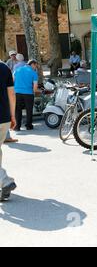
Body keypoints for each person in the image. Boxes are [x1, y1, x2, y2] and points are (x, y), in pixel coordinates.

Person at [0, 61, 17, 201]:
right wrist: (12, 115)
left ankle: (5, 181)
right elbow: (11, 94)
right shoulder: (5, 68)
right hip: (4, 117)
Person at [13, 59, 39, 131]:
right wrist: (36, 91)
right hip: (28, 93)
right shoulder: (34, 73)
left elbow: (13, 81)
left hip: (17, 92)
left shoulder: (17, 70)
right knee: (29, 110)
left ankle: (17, 126)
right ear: (32, 64)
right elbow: (35, 87)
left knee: (17, 110)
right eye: (35, 66)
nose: (35, 68)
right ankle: (28, 126)